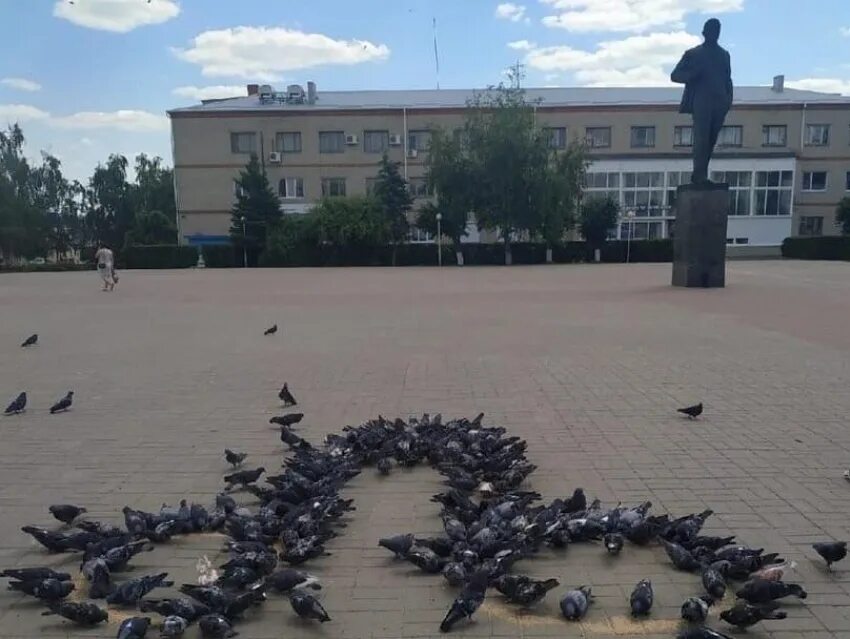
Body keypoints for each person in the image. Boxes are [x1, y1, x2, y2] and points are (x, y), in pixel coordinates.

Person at [670, 18, 733, 184]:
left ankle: (701, 174)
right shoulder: (694, 54)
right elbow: (675, 75)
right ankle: (699, 176)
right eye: (712, 30)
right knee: (701, 139)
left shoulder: (724, 55)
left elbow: (728, 80)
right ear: (705, 32)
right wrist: (692, 75)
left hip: (719, 104)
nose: (715, 33)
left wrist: (728, 100)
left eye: (717, 30)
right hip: (701, 102)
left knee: (711, 141)